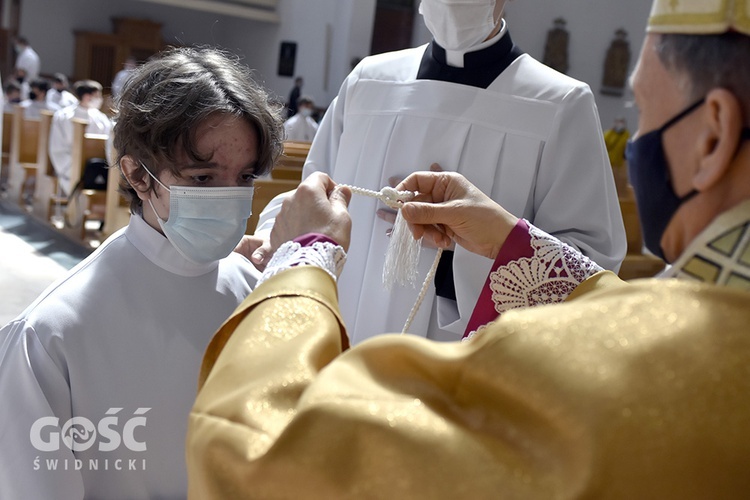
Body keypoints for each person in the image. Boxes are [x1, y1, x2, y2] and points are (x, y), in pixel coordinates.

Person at [186, 1, 750, 494]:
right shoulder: (369, 82)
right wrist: (507, 244)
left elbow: (250, 452)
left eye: (645, 113)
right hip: (352, 329)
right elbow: (614, 315)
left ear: (714, 134)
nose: (638, 142)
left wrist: (311, 256)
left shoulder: (559, 102)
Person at [251, 0, 626, 345]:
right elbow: (311, 193)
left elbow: (589, 268)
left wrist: (458, 264)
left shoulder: (559, 104)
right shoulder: (368, 82)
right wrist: (271, 240)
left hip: (462, 366)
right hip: (343, 332)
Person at [0, 46, 284, 499]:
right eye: (203, 178)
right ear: (138, 175)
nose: (230, 199)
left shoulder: (257, 294)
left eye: (245, 177)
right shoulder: (49, 336)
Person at [48, 79, 112, 195]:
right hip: (69, 165)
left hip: (96, 165)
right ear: (87, 96)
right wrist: (76, 166)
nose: (100, 100)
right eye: (97, 95)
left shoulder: (101, 118)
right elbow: (57, 146)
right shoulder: (63, 116)